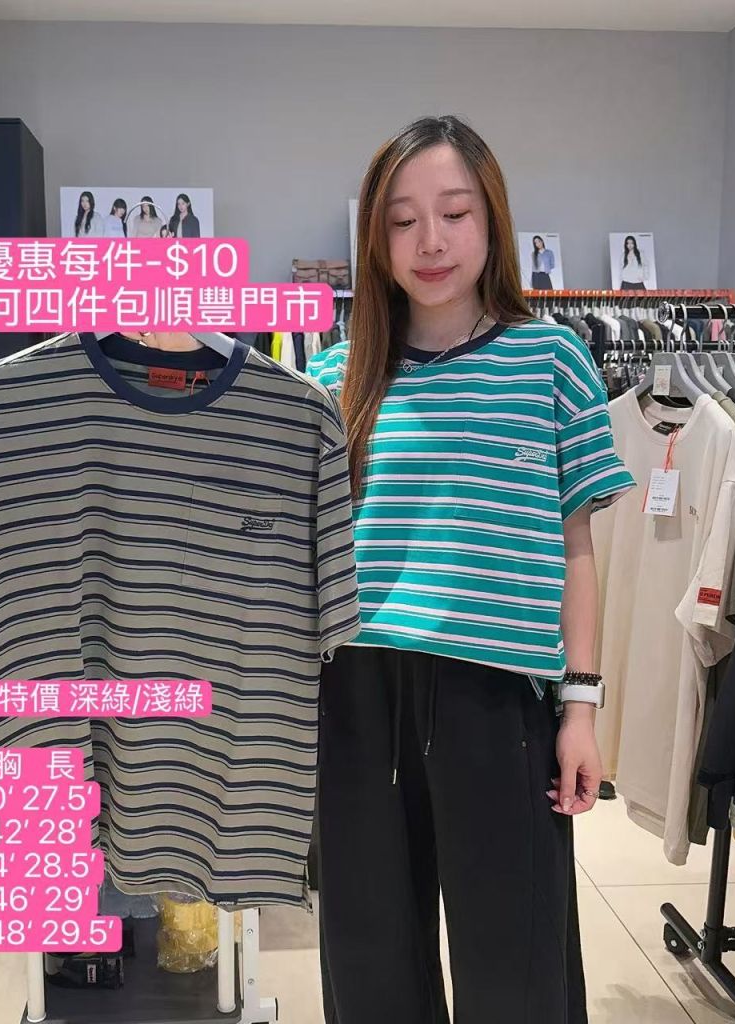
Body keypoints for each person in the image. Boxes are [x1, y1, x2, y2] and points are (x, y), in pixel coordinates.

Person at [306, 115, 635, 1024]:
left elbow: (576, 549)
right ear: (375, 240)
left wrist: (581, 707)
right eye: (402, 220)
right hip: (358, 694)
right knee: (371, 966)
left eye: (454, 213)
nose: (431, 241)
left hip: (498, 700)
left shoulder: (551, 361)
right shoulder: (334, 377)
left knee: (515, 970)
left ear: (492, 220)